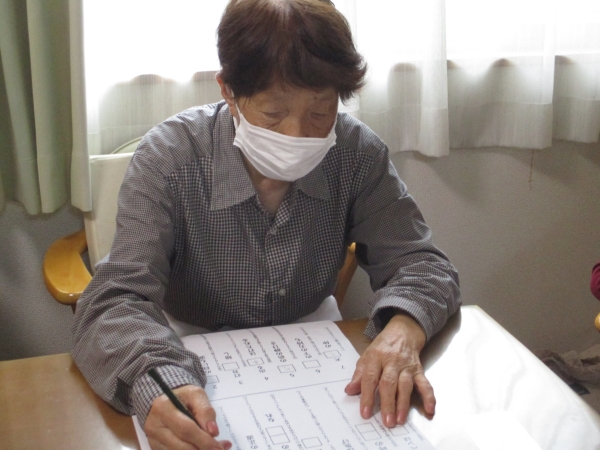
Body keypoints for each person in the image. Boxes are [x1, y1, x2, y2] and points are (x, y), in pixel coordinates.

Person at [72, 1, 461, 449]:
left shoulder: (356, 153)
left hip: (314, 349)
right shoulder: (170, 158)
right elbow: (115, 299)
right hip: (187, 342)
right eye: (273, 113)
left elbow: (422, 265)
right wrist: (156, 381)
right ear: (228, 91)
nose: (297, 135)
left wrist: (403, 329)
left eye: (320, 111)